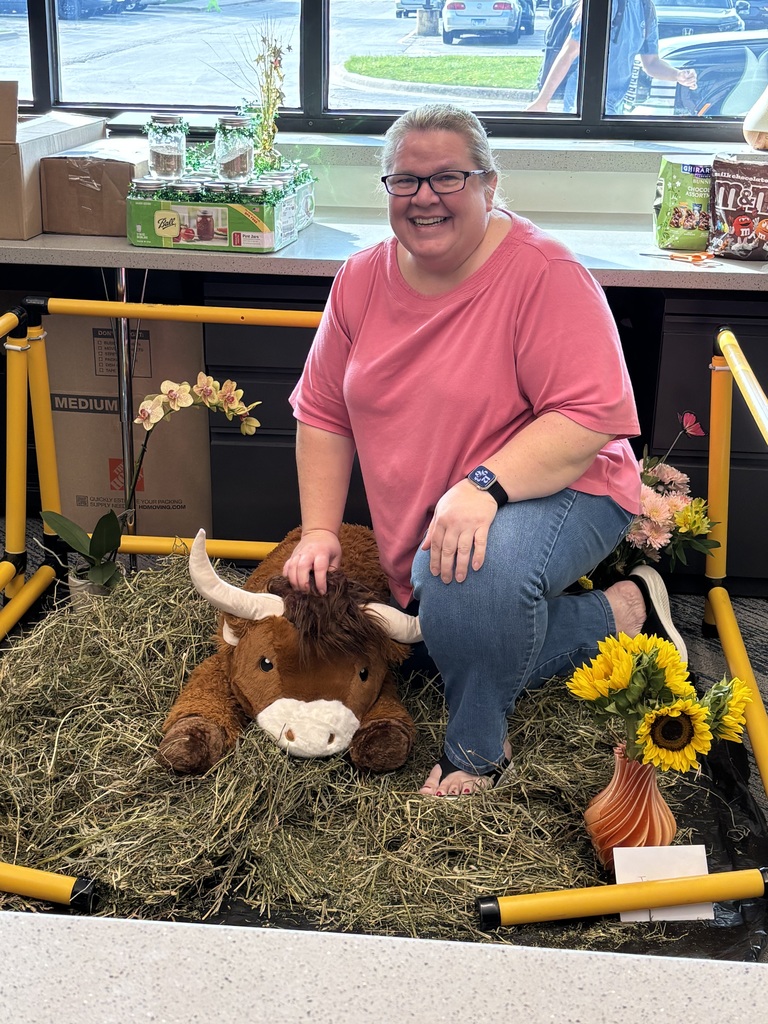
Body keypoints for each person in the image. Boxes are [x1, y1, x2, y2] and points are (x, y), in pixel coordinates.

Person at [284, 102, 686, 797]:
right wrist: (318, 528)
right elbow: (322, 411)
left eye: (449, 178)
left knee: (464, 587)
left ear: (490, 186)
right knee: (444, 632)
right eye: (404, 181)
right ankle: (615, 614)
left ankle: (477, 748)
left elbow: (590, 417)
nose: (425, 198)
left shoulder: (544, 274)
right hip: (451, 508)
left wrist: (483, 486)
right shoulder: (359, 279)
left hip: (569, 488)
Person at [527, 0, 697, 115]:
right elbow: (569, 52)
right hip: (585, 105)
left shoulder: (646, 9)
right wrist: (542, 101)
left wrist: (677, 75)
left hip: (616, 106)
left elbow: (651, 63)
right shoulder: (604, 5)